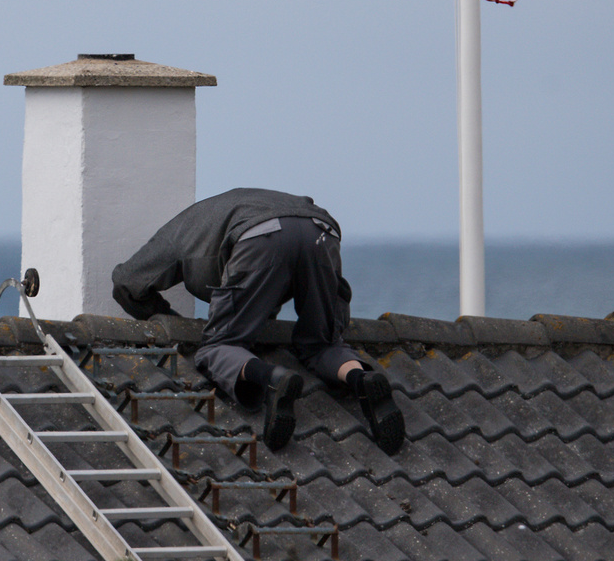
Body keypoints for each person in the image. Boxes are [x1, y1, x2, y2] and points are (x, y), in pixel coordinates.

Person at [111, 187, 404, 454]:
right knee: (322, 343)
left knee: (218, 346)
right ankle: (361, 378)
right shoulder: (236, 206)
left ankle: (274, 380)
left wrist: (168, 320)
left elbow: (127, 283)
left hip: (259, 238)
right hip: (321, 230)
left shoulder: (177, 234)